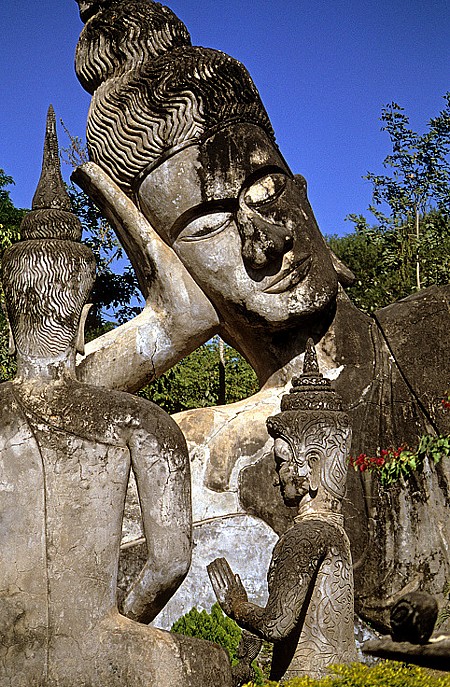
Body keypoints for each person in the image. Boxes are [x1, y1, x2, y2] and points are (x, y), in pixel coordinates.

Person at [72, 0, 450, 632]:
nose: (265, 239)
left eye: (265, 187)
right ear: (164, 255)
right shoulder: (186, 448)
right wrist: (169, 325)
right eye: (211, 223)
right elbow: (34, 431)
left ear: (298, 182)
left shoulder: (431, 336)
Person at [0, 106, 232, 687]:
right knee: (210, 669)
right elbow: (169, 563)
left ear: (9, 320)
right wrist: (115, 620)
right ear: (81, 321)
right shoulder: (139, 424)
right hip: (101, 646)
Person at [208, 341, 357, 679]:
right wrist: (247, 654)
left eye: (280, 463)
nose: (277, 480)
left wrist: (237, 607)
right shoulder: (334, 534)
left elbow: (277, 623)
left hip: (307, 686)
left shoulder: (307, 535)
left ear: (311, 466)